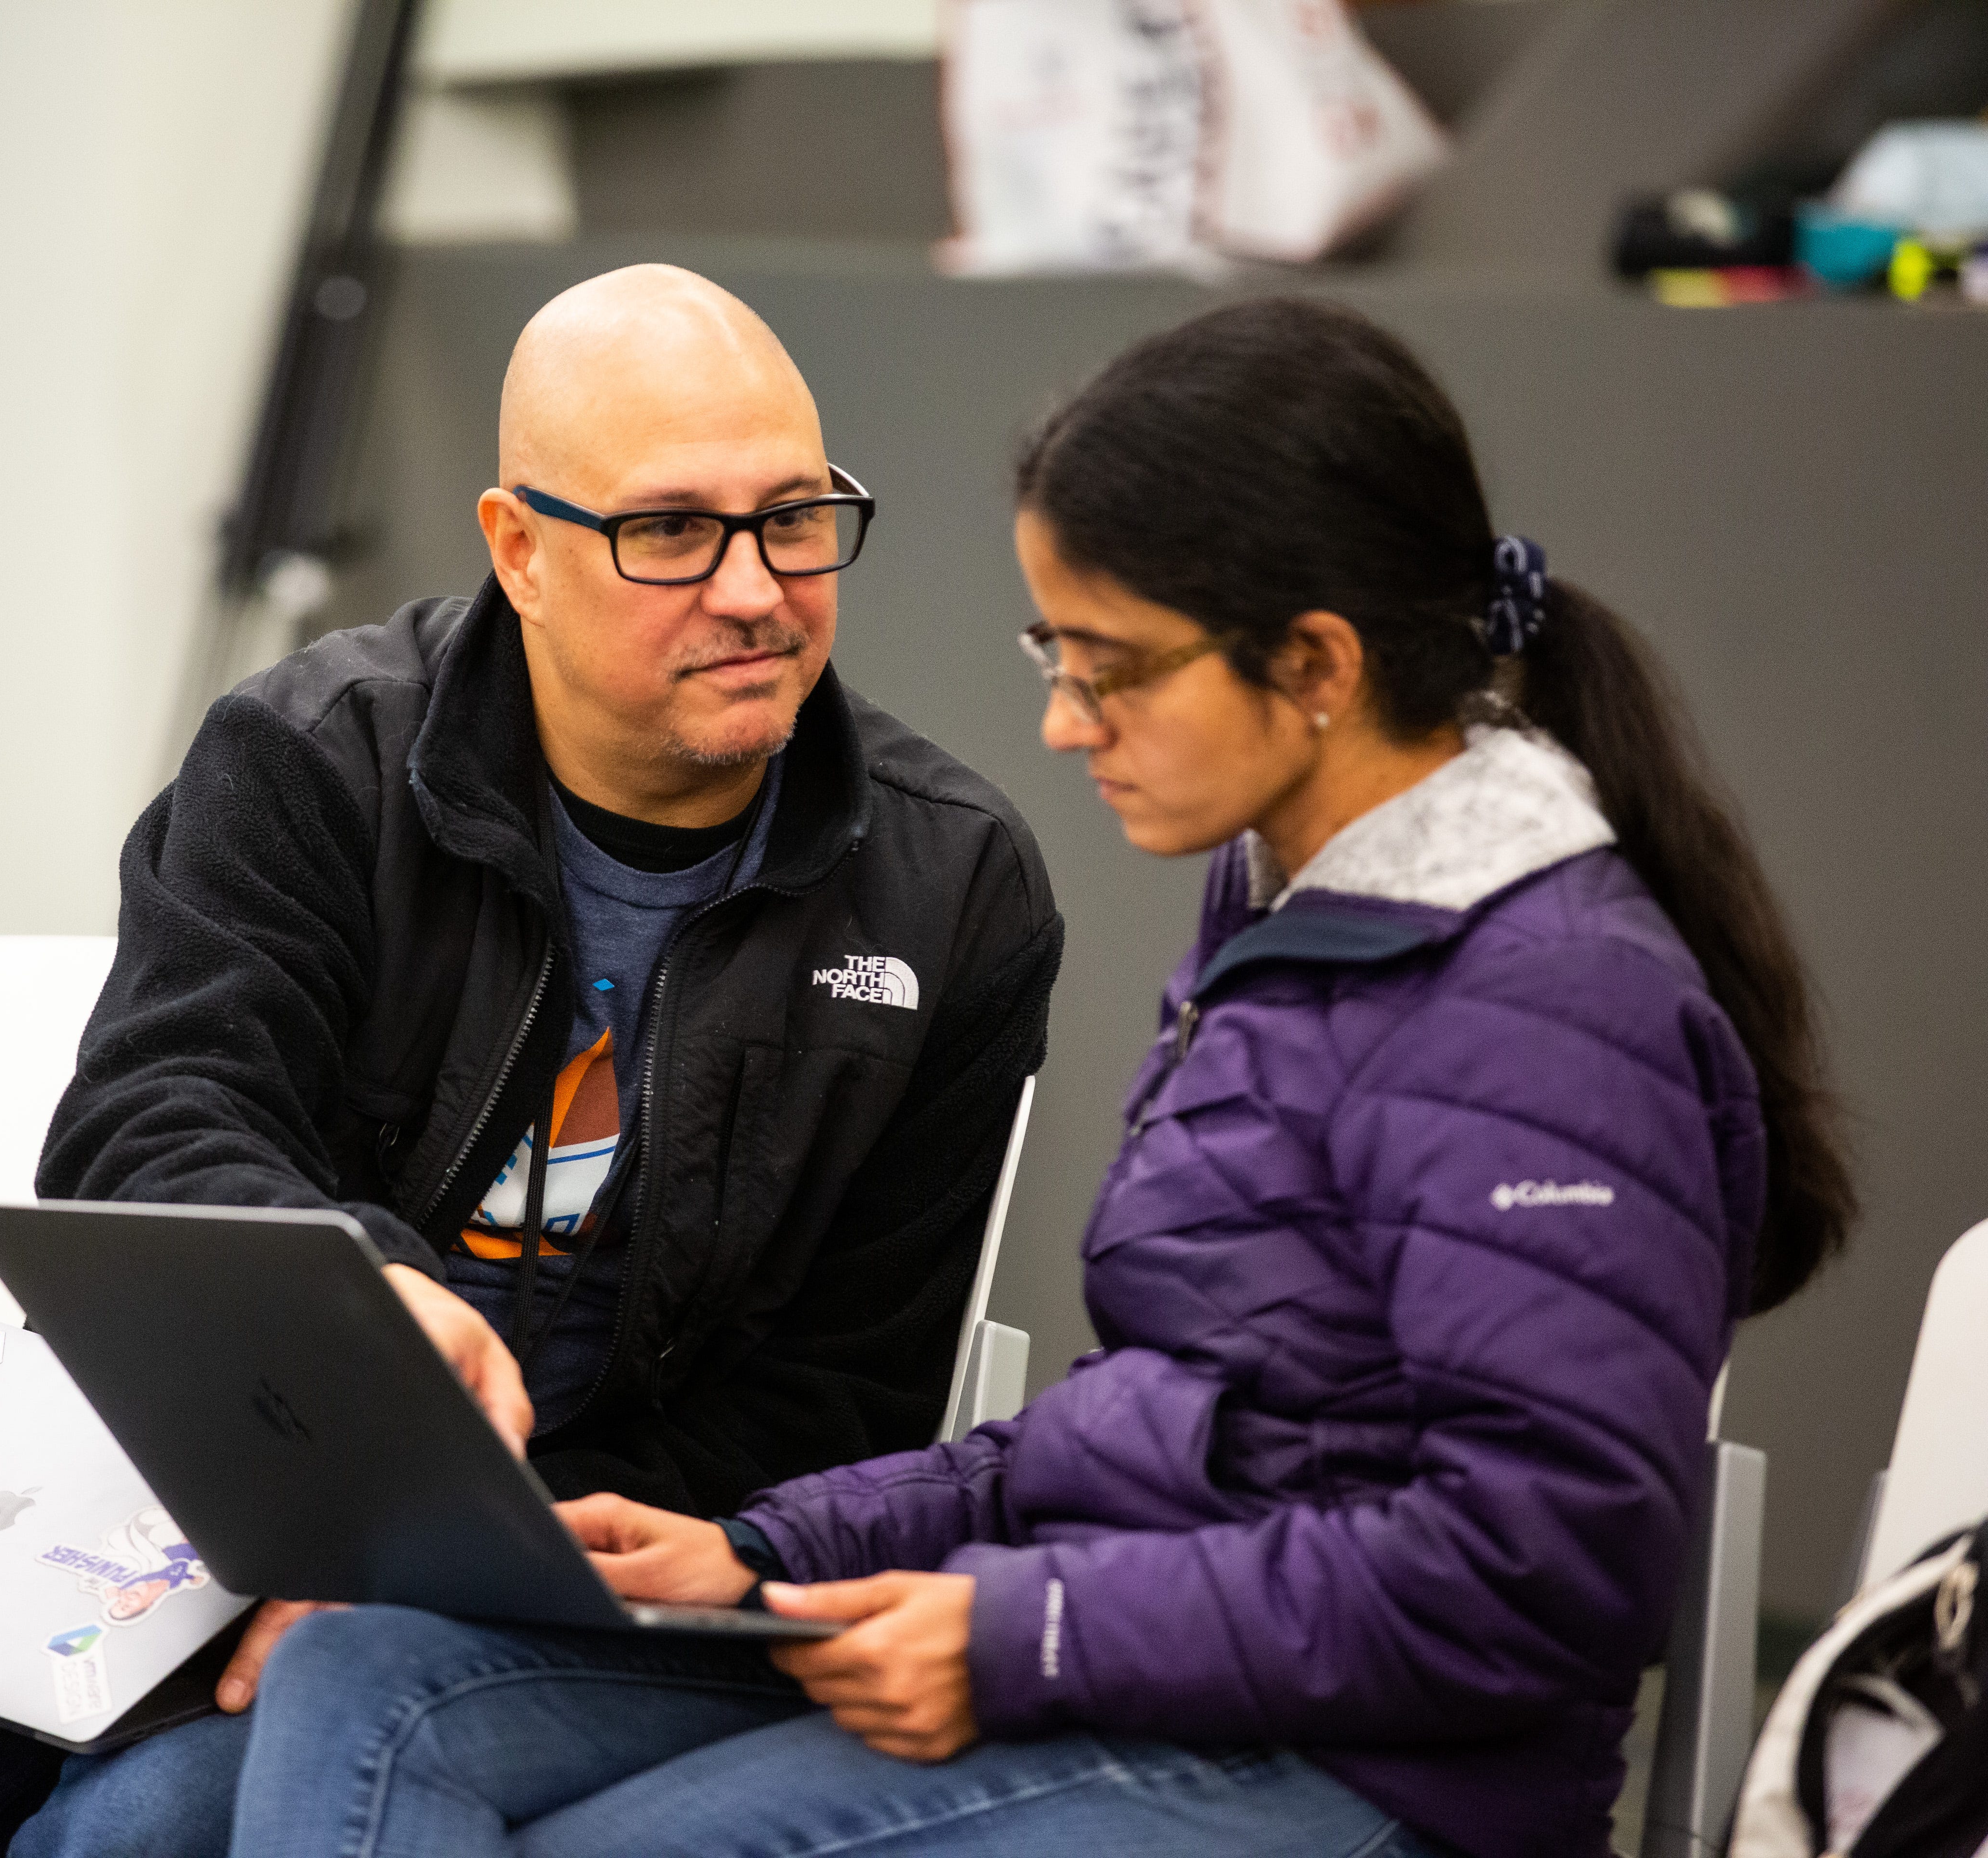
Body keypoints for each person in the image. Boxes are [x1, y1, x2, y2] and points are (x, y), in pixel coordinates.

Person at [220, 296, 1855, 1858]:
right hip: (1148, 1670)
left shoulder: (1551, 1005)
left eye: (1114, 665)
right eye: (1052, 653)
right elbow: (1159, 1426)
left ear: (1316, 667)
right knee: (369, 1677)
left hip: (1374, 1782)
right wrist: (762, 1547)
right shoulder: (1293, 907)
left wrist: (1035, 1632)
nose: (1068, 725)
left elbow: (1543, 1573)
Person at [0, 264, 1062, 1858]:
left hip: (571, 1561)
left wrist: (444, 1557)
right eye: (669, 530)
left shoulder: (953, 891)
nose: (755, 587)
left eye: (795, 516)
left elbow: (846, 1402)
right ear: (518, 546)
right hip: (195, 1478)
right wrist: (369, 1302)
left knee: (146, 1835)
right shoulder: (312, 759)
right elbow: (149, 1127)